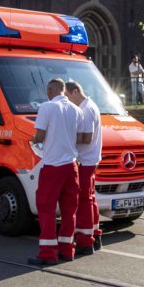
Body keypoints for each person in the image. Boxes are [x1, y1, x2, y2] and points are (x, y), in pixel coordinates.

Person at [28, 78, 81, 266]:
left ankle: (48, 253)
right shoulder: (76, 110)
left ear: (51, 90)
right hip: (71, 166)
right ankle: (67, 250)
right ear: (64, 90)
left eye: (47, 91)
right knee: (69, 209)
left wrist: (33, 139)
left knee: (46, 207)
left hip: (53, 165)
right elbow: (78, 136)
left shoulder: (47, 107)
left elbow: (40, 135)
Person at [65, 81, 102, 255]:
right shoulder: (90, 105)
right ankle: (94, 233)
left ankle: (85, 240)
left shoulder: (86, 110)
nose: (67, 101)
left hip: (85, 160)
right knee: (90, 198)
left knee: (83, 200)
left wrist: (66, 138)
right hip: (91, 159)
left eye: (67, 96)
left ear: (74, 92)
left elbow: (86, 138)